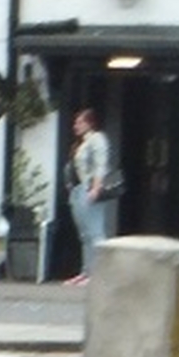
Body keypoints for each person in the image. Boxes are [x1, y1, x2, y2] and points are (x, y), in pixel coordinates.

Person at [65, 106, 119, 284]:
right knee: (85, 234)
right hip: (77, 189)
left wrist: (96, 188)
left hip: (89, 188)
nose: (76, 125)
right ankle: (86, 271)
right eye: (76, 122)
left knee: (95, 232)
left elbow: (100, 165)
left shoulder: (97, 139)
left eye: (79, 122)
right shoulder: (81, 143)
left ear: (89, 123)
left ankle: (99, 274)